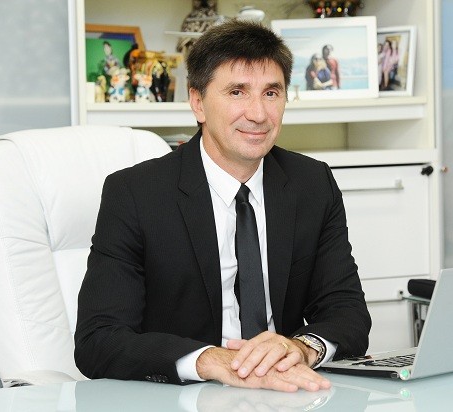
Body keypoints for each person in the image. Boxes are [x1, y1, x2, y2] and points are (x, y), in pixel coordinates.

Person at [74, 19, 371, 393]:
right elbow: (97, 340)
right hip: (184, 396)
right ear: (197, 102)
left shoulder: (312, 183)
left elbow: (348, 312)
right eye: (237, 92)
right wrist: (211, 361)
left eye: (271, 93)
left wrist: (300, 347)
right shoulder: (135, 194)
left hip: (287, 393)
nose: (258, 114)